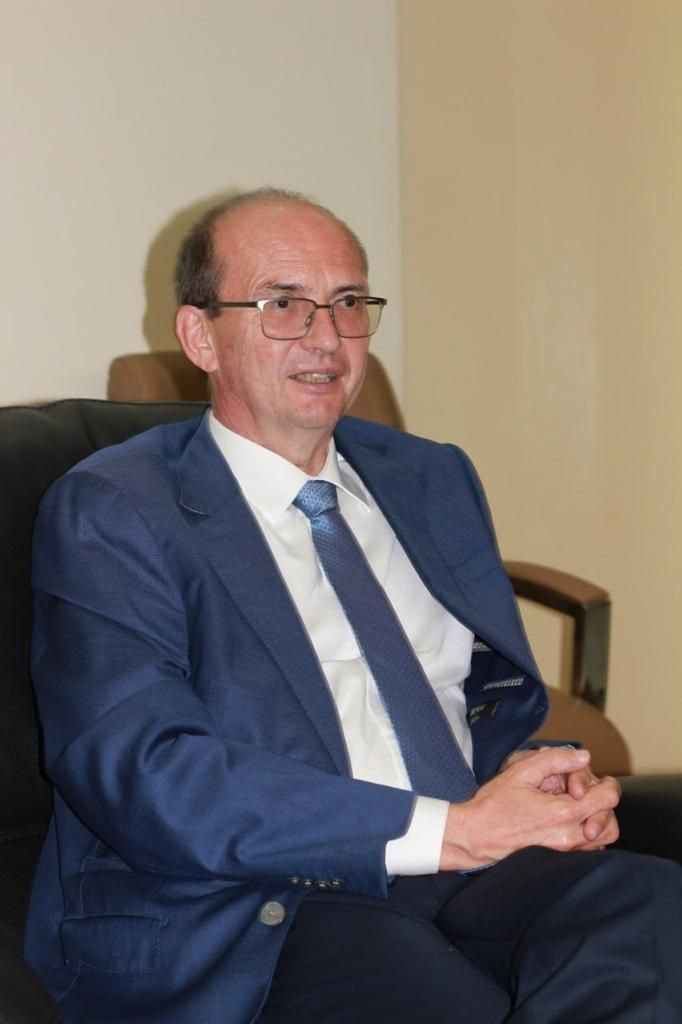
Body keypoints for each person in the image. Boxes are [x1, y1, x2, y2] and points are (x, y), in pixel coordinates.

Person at [25, 188, 681, 1023]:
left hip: (461, 861)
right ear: (200, 336)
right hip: (259, 900)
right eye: (283, 305)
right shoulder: (117, 509)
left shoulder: (429, 476)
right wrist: (451, 830)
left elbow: (465, 690)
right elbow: (147, 771)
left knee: (644, 908)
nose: (327, 338)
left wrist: (529, 778)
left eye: (346, 303)